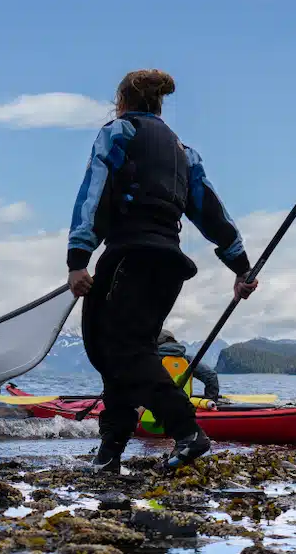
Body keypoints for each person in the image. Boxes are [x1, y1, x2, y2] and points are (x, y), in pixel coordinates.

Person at [67, 68, 257, 474]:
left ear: (122, 101)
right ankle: (109, 453)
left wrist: (77, 258)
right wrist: (240, 267)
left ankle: (187, 431)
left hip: (129, 258)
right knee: (126, 351)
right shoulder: (185, 152)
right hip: (168, 266)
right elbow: (211, 212)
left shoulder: (118, 132)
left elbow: (92, 193)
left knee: (119, 350)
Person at [156, 327, 222, 402]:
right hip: (184, 409)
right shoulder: (188, 360)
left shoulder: (149, 359)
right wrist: (209, 403)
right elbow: (211, 376)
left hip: (154, 410)